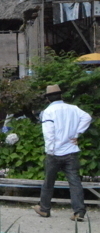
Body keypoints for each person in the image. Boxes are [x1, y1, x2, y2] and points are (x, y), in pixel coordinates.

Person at [33, 84, 92, 222]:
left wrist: (50, 151)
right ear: (61, 95)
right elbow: (87, 117)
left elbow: (49, 134)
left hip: (55, 152)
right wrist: (77, 133)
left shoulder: (48, 112)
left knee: (49, 182)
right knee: (75, 182)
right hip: (71, 150)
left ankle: (44, 208)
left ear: (48, 99)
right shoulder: (73, 109)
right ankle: (79, 212)